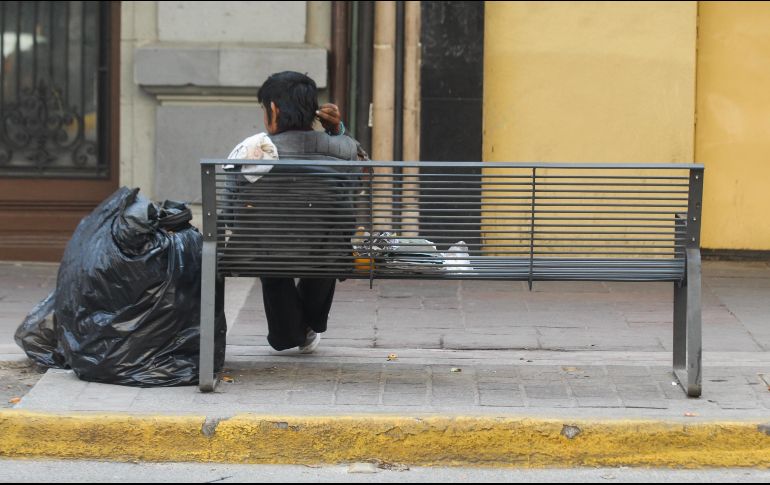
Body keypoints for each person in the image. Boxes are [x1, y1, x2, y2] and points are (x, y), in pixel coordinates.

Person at [227, 71, 366, 354]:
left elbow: (231, 212)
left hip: (264, 251)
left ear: (274, 110)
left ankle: (289, 332)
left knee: (269, 242)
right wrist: (339, 133)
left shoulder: (252, 150)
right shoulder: (343, 148)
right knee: (329, 238)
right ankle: (305, 327)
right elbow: (355, 188)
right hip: (327, 252)